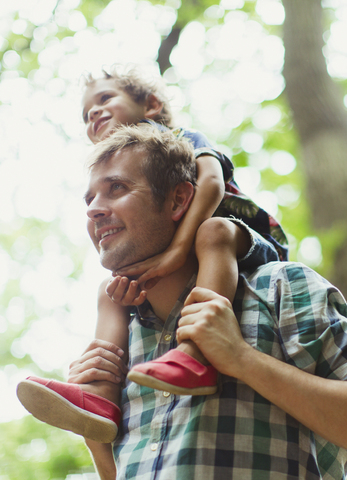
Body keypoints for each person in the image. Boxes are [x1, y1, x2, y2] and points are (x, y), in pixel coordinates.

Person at [17, 66, 287, 443]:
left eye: (105, 98)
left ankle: (195, 353)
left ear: (152, 105)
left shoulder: (180, 138)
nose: (93, 112)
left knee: (212, 232)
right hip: (196, 243)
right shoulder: (124, 161)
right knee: (107, 290)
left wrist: (177, 252)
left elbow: (209, 182)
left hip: (239, 232)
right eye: (85, 113)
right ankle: (100, 398)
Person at [69, 125, 347, 479]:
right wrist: (95, 436)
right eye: (89, 199)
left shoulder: (281, 289)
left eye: (116, 188)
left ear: (178, 200)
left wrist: (242, 359)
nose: (94, 210)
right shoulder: (119, 340)